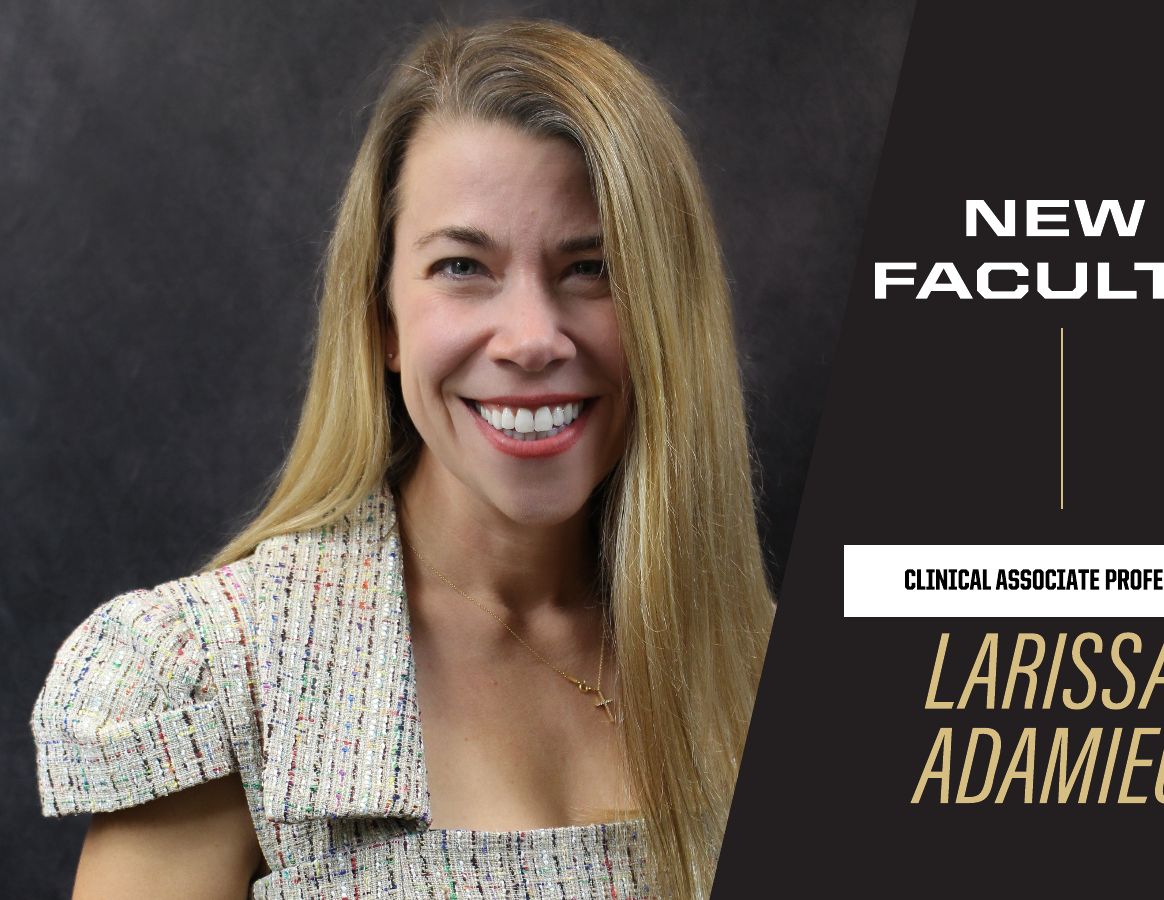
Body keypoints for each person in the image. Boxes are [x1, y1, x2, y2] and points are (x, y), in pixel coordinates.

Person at [31, 19, 774, 900]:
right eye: (463, 266)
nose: (533, 340)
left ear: (668, 313)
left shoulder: (759, 658)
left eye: (593, 268)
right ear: (382, 318)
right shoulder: (223, 681)